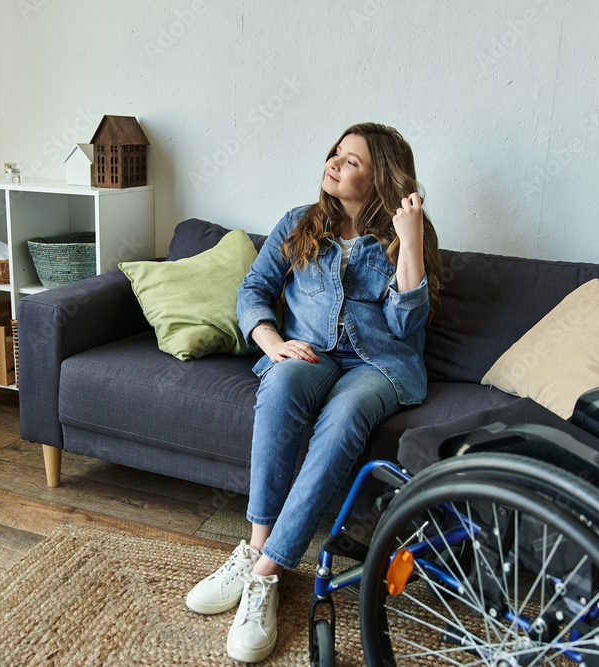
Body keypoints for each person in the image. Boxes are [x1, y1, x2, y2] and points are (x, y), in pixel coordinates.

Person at [185, 122, 443, 663]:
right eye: (335, 154)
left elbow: (407, 326)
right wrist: (272, 340)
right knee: (279, 384)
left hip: (380, 362)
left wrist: (411, 240)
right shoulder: (297, 224)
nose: (334, 164)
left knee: (346, 414)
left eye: (352, 161)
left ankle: (266, 573)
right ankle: (256, 545)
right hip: (311, 352)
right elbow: (254, 288)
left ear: (380, 180)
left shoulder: (407, 233)